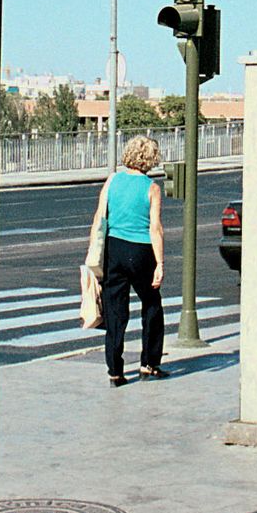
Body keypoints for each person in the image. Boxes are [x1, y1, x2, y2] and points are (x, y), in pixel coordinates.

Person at [86, 135, 166, 386]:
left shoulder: (112, 181)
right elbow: (155, 228)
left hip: (114, 248)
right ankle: (148, 363)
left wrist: (93, 253)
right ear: (151, 159)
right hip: (141, 251)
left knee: (115, 311)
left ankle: (115, 371)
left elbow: (99, 218)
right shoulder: (152, 188)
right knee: (151, 304)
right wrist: (160, 263)